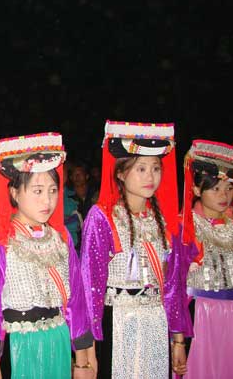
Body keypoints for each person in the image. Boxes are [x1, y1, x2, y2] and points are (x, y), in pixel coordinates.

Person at [0, 132, 95, 378]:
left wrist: (82, 361)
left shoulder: (60, 237)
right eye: (37, 191)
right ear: (14, 193)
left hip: (58, 342)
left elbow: (76, 299)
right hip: (17, 346)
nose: (47, 200)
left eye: (53, 190)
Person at [80, 120, 188, 378]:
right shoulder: (103, 217)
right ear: (120, 173)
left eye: (155, 168)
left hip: (156, 321)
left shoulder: (164, 221)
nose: (150, 176)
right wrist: (88, 350)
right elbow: (90, 285)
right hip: (117, 320)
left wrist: (178, 339)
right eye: (141, 168)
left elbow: (173, 284)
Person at [180, 140, 233, 379]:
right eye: (216, 189)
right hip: (200, 315)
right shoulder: (185, 226)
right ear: (196, 189)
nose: (224, 195)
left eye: (229, 188)